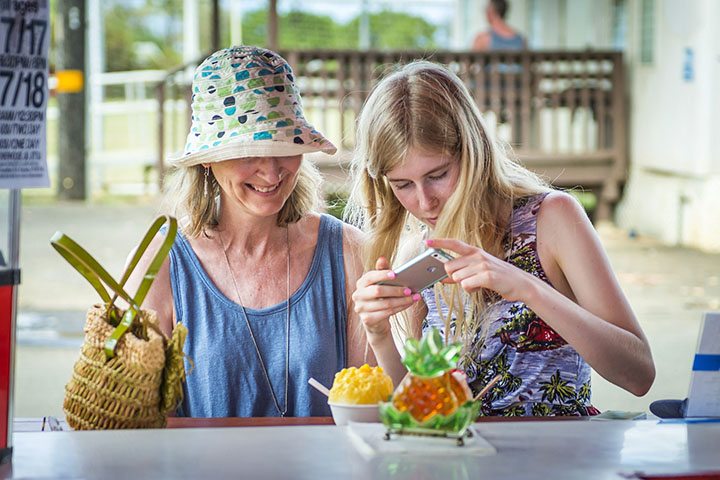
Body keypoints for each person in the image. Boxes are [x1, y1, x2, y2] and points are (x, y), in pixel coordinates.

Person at [346, 61, 655, 416]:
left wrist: (527, 287)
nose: (424, 201)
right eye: (403, 185)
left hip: (560, 457)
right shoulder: (423, 253)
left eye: (438, 175)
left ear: (472, 150)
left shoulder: (552, 219)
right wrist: (380, 335)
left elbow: (638, 375)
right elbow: (426, 410)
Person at [126, 46, 370, 418]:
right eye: (249, 151)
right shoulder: (158, 265)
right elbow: (138, 420)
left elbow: (370, 411)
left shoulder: (349, 251)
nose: (271, 173)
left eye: (284, 147)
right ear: (208, 159)